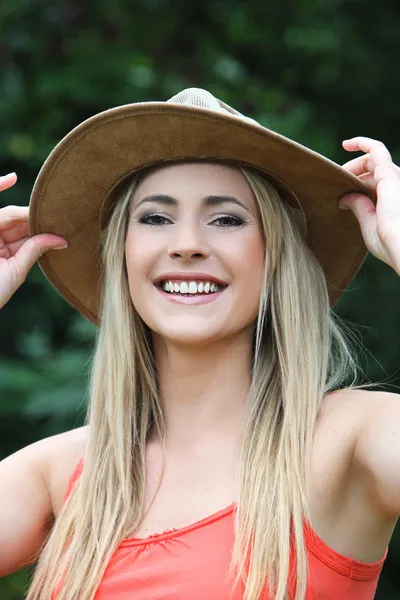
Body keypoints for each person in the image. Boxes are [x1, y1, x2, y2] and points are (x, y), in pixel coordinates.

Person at [0, 88, 399, 600]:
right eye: (155, 218)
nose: (186, 243)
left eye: (226, 218)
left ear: (276, 257)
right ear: (122, 256)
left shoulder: (349, 443)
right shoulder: (61, 474)